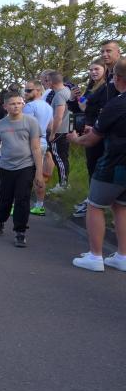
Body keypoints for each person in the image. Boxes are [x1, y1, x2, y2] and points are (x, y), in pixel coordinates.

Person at [68, 57, 126, 272]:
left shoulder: (116, 104)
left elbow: (92, 140)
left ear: (116, 78)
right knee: (121, 207)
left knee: (94, 205)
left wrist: (75, 139)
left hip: (113, 163)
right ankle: (122, 256)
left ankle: (95, 256)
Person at [0, 91, 44, 248]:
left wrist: (39, 172)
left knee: (22, 198)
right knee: (5, 198)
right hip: (6, 167)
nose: (16, 106)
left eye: (19, 103)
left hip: (26, 166)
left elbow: (36, 148)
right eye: (12, 104)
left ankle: (20, 232)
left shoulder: (31, 122)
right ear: (5, 106)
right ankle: (0, 221)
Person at [22, 79, 55, 216]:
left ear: (38, 90)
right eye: (25, 90)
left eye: (29, 90)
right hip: (42, 143)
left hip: (29, 143)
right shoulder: (48, 107)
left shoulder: (29, 106)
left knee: (22, 174)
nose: (26, 93)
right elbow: (50, 126)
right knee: (38, 174)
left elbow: (25, 127)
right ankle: (39, 206)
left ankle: (18, 205)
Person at [46, 70, 72, 193]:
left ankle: (63, 185)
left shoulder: (59, 95)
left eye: (47, 80)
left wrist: (52, 133)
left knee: (60, 159)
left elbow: (58, 117)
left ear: (52, 82)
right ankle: (64, 183)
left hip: (59, 132)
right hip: (66, 130)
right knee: (63, 158)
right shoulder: (67, 91)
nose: (46, 83)